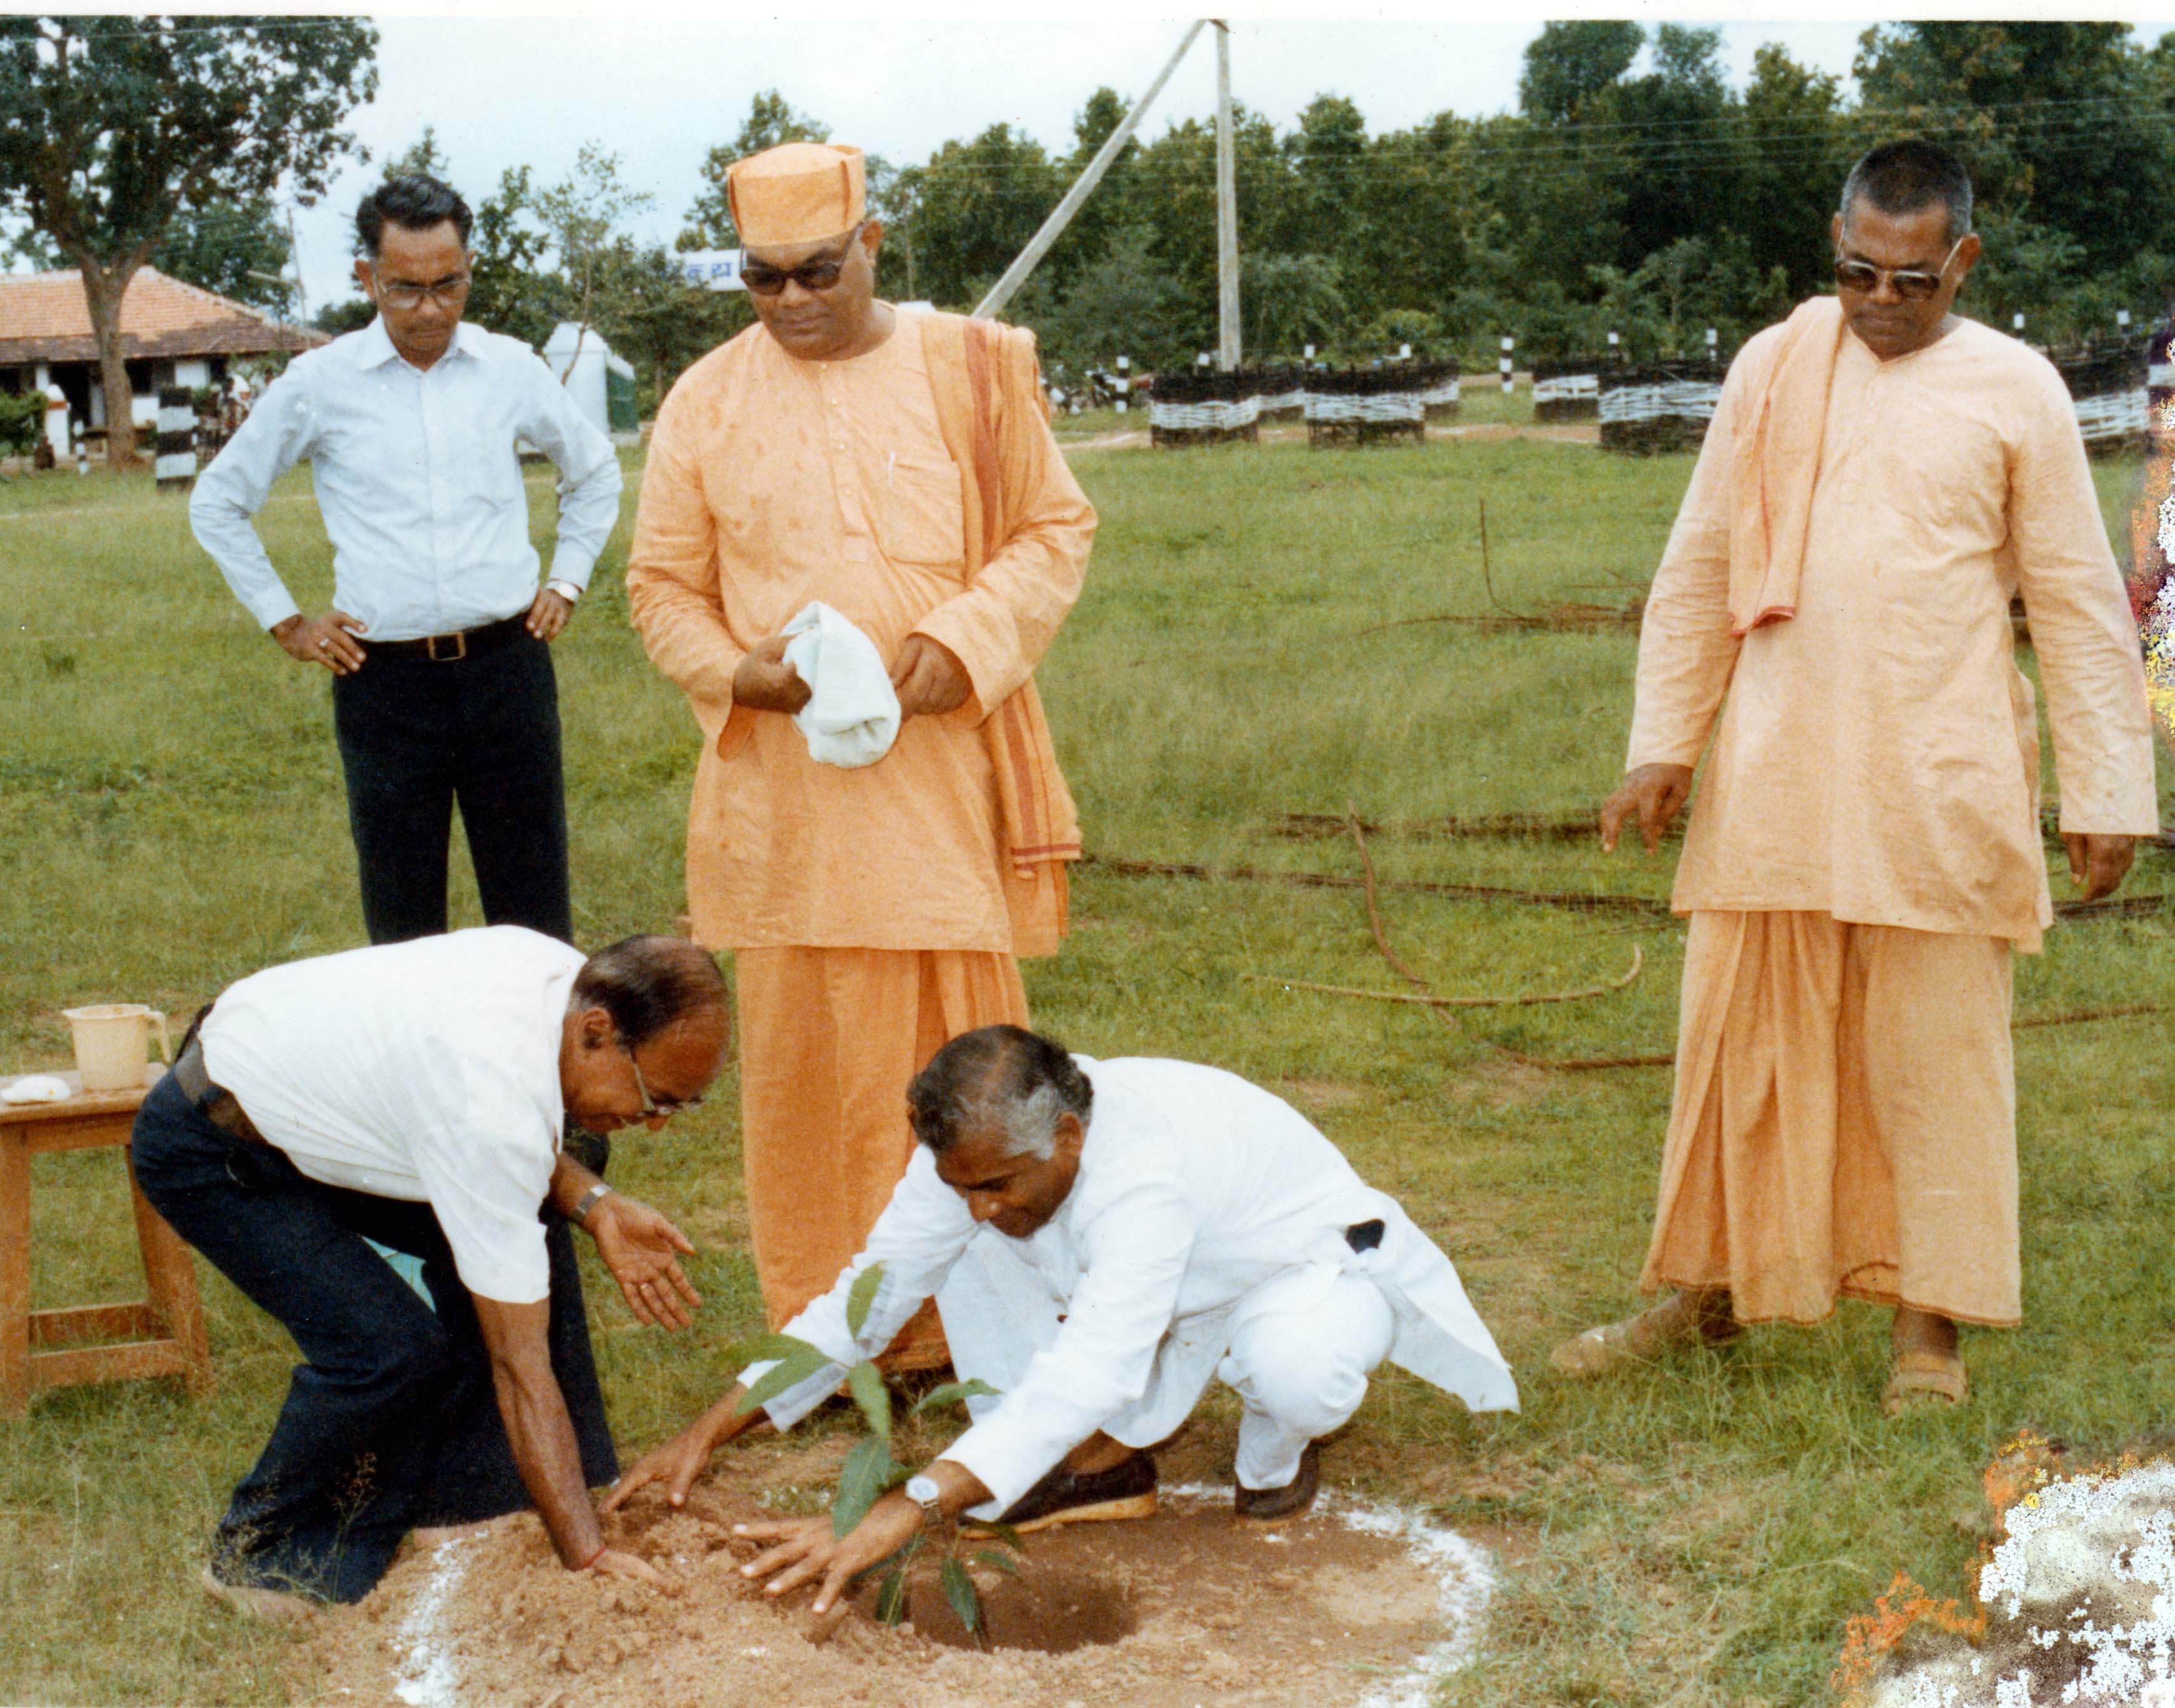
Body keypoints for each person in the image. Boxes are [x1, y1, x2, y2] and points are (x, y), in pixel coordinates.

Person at [1557, 140, 2160, 1413]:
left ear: (1962, 262)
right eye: (1857, 273)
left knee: (1934, 1057)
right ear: (1832, 245)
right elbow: (1703, 562)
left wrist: (2106, 793)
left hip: (1934, 777)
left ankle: (1927, 1330)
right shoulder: (1772, 367)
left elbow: (2072, 602)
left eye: (1911, 282)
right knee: (1741, 1040)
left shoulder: (2018, 389)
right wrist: (1663, 744)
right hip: (1774, 766)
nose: (1882, 303)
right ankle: (1710, 1289)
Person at [623, 141, 1095, 1373]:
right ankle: (826, 1336)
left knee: (962, 1056)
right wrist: (740, 676)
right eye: (762, 279)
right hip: (786, 800)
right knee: (807, 1078)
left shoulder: (969, 371)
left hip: (937, 783)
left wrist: (965, 640)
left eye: (817, 271)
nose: (791, 302)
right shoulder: (705, 402)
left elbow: (1053, 530)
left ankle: (979, 1331)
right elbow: (661, 589)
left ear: (872, 242)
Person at [605, 1027, 1518, 1613]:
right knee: (958, 1250)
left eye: (998, 1183)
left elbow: (1094, 1363)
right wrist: (708, 1429)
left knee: (1293, 1370)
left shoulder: (1140, 1175)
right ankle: (1094, 1469)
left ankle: (1276, 1453)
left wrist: (905, 1507)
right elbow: (871, 1293)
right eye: (962, 1184)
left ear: (1068, 1140)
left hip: (1288, 1272)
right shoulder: (976, 1159)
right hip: (1149, 1289)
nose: (979, 1203)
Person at [129, 929, 729, 1619]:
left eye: (680, 1107)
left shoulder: (565, 983)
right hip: (212, 1148)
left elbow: (505, 1140)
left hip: (323, 1101)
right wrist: (587, 1558)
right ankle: (256, 1555)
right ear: (597, 1031)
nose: (654, 1123)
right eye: (657, 1097)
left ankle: (476, 1501)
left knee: (528, 1233)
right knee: (386, 1349)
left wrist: (595, 1207)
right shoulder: (484, 1104)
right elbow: (518, 1364)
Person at [190, 173, 623, 946]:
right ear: (366, 277)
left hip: (507, 672)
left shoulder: (510, 368)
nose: (429, 311)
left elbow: (593, 471)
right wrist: (286, 622)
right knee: (401, 922)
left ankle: (535, 1068)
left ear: (469, 270)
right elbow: (218, 502)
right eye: (404, 289)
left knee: (532, 919)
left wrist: (567, 576)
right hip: (382, 686)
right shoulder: (319, 385)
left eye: (447, 286)